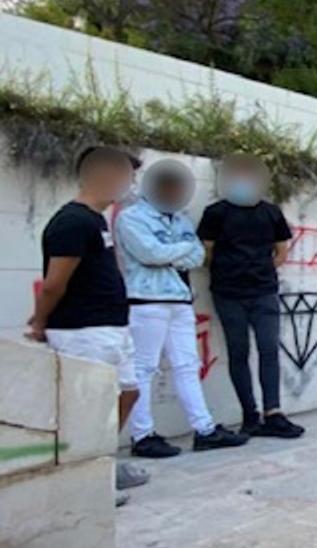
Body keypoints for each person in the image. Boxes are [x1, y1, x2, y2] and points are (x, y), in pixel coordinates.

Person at [27, 146, 148, 505]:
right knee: (88, 407)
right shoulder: (72, 222)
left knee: (128, 393)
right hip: (82, 330)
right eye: (127, 175)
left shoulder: (95, 220)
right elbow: (54, 283)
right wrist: (39, 321)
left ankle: (102, 462)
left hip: (110, 327)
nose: (131, 184)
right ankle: (84, 481)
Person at [118, 159, 250, 459]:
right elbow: (150, 254)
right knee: (144, 369)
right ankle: (142, 435)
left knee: (187, 365)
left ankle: (204, 429)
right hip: (146, 300)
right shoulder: (131, 217)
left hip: (179, 299)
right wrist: (179, 251)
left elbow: (197, 255)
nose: (172, 190)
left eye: (176, 185)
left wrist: (171, 254)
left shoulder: (180, 219)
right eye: (166, 184)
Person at [198, 153, 305, 439]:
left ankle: (274, 412)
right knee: (239, 353)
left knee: (269, 350)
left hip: (264, 292)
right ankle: (250, 415)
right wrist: (229, 271)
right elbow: (205, 250)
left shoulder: (270, 212)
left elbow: (281, 250)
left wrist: (260, 270)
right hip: (228, 293)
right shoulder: (216, 213)